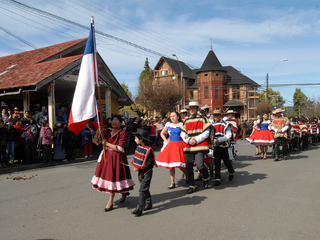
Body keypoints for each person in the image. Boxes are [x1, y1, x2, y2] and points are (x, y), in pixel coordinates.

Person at [91, 115, 135, 212]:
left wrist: (106, 144)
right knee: (109, 177)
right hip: (106, 157)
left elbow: (119, 148)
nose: (115, 122)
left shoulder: (122, 133)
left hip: (117, 158)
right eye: (113, 120)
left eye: (117, 121)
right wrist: (97, 134)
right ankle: (123, 192)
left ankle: (110, 201)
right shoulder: (106, 132)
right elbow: (97, 142)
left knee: (114, 178)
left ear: (121, 123)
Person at [180, 101, 213, 194]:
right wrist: (189, 140)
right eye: (190, 108)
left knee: (200, 165)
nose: (191, 110)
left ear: (197, 109)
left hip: (199, 145)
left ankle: (206, 178)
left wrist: (196, 140)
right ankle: (191, 185)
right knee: (189, 166)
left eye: (193, 108)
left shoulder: (203, 119)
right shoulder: (186, 121)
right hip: (189, 145)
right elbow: (182, 133)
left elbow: (206, 133)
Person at [156, 111, 187, 189]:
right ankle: (172, 182)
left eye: (174, 116)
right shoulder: (168, 124)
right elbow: (162, 133)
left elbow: (186, 133)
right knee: (171, 165)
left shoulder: (182, 124)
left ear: (178, 116)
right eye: (171, 116)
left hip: (180, 145)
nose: (172, 118)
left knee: (180, 164)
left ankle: (187, 176)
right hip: (171, 145)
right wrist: (166, 140)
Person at [131, 129, 156, 216]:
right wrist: (136, 166)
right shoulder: (139, 147)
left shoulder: (148, 150)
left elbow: (150, 164)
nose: (134, 139)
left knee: (142, 189)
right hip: (140, 172)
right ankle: (148, 203)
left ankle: (139, 208)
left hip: (147, 172)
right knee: (144, 188)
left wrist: (140, 168)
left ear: (141, 140)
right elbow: (137, 159)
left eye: (136, 138)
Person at [211, 109, 235, 186]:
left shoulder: (226, 124)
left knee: (226, 162)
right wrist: (214, 141)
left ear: (220, 116)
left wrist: (220, 140)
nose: (216, 117)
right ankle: (217, 178)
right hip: (216, 146)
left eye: (218, 115)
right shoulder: (212, 125)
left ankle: (231, 172)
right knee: (216, 162)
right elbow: (210, 135)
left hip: (224, 146)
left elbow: (228, 135)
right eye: (215, 115)